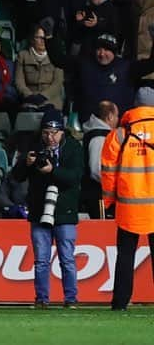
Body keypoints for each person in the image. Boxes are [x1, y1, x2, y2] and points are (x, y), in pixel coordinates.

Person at [11, 109, 82, 309]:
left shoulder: (73, 148)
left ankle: (71, 299)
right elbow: (16, 177)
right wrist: (26, 163)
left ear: (62, 132)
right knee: (41, 260)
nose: (49, 137)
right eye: (46, 133)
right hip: (39, 210)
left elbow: (74, 178)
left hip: (64, 211)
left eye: (54, 133)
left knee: (67, 259)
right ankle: (42, 299)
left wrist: (53, 171)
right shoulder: (34, 147)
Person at [101, 104, 154, 311]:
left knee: (125, 255)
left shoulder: (119, 135)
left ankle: (120, 303)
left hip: (129, 206)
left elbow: (108, 171)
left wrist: (108, 201)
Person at [81, 100, 119, 218]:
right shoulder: (99, 137)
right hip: (99, 196)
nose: (118, 119)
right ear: (110, 116)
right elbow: (96, 170)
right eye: (117, 115)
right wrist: (112, 185)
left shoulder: (101, 135)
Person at [15, 25, 65, 111]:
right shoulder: (22, 56)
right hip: (29, 99)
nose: (43, 40)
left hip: (51, 99)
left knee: (50, 117)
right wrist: (29, 95)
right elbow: (19, 81)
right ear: (32, 39)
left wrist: (43, 96)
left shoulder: (57, 56)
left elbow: (58, 82)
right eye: (39, 37)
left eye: (45, 38)